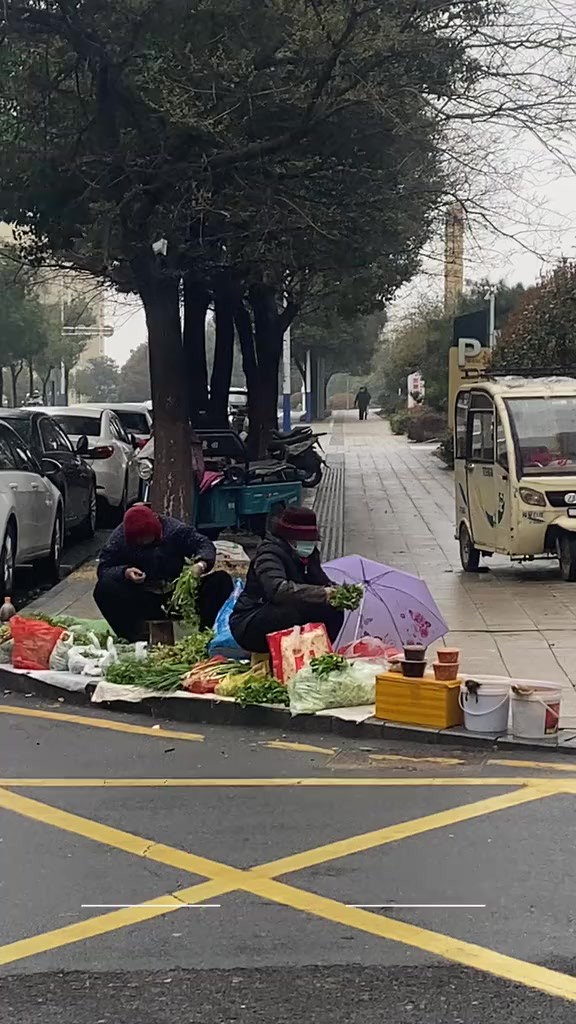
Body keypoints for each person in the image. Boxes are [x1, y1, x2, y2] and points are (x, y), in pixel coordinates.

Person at [93, 504, 233, 641]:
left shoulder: (174, 530)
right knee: (104, 588)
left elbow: (204, 544)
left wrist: (201, 564)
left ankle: (205, 634)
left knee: (221, 581)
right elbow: (105, 568)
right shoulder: (119, 537)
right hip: (143, 596)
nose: (144, 542)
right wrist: (125, 572)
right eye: (139, 541)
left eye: (147, 538)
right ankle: (135, 636)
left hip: (178, 594)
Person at [230, 507, 344, 654]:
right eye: (306, 540)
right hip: (251, 620)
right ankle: (284, 656)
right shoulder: (269, 553)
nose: (310, 545)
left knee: (333, 609)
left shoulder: (309, 555)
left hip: (283, 611)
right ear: (291, 538)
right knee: (292, 611)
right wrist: (323, 593)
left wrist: (335, 591)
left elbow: (320, 580)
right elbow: (278, 590)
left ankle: (319, 653)